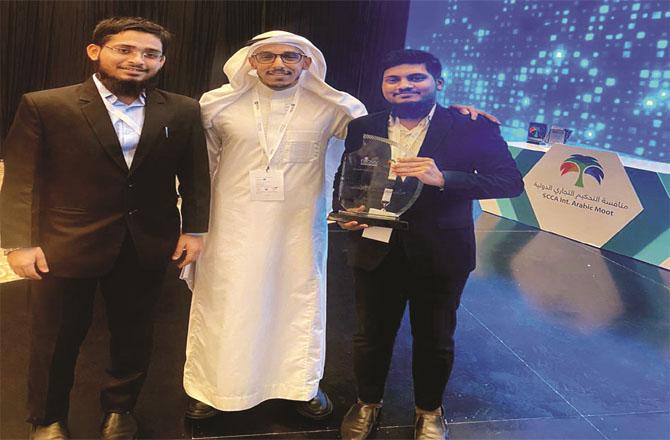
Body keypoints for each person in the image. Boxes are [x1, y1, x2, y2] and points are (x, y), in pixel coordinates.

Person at [182, 31, 495, 421]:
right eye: (267, 57)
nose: (279, 64)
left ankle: (297, 386)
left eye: (290, 56)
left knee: (296, 303)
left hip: (296, 228)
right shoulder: (217, 105)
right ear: (250, 62)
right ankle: (214, 389)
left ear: (307, 62)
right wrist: (193, 226)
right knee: (228, 303)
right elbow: (199, 169)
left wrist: (457, 112)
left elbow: (396, 128)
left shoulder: (335, 107)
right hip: (231, 226)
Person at [0, 17, 210, 439]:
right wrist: (18, 244)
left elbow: (195, 174)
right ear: (95, 51)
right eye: (125, 49)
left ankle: (120, 410)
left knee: (134, 333)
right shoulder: (46, 105)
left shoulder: (183, 109)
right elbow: (20, 179)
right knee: (56, 338)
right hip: (65, 242)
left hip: (148, 240)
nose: (138, 60)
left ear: (162, 61)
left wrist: (196, 230)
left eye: (150, 54)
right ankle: (47, 417)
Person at [335, 49, 524, 440]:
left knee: (435, 338)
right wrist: (349, 209)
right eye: (394, 79)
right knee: (371, 336)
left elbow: (509, 182)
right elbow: (347, 178)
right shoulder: (362, 126)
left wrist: (445, 179)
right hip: (373, 248)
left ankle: (429, 410)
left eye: (415, 78)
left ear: (438, 83)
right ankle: (367, 402)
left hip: (441, 252)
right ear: (383, 86)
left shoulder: (471, 126)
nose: (404, 85)